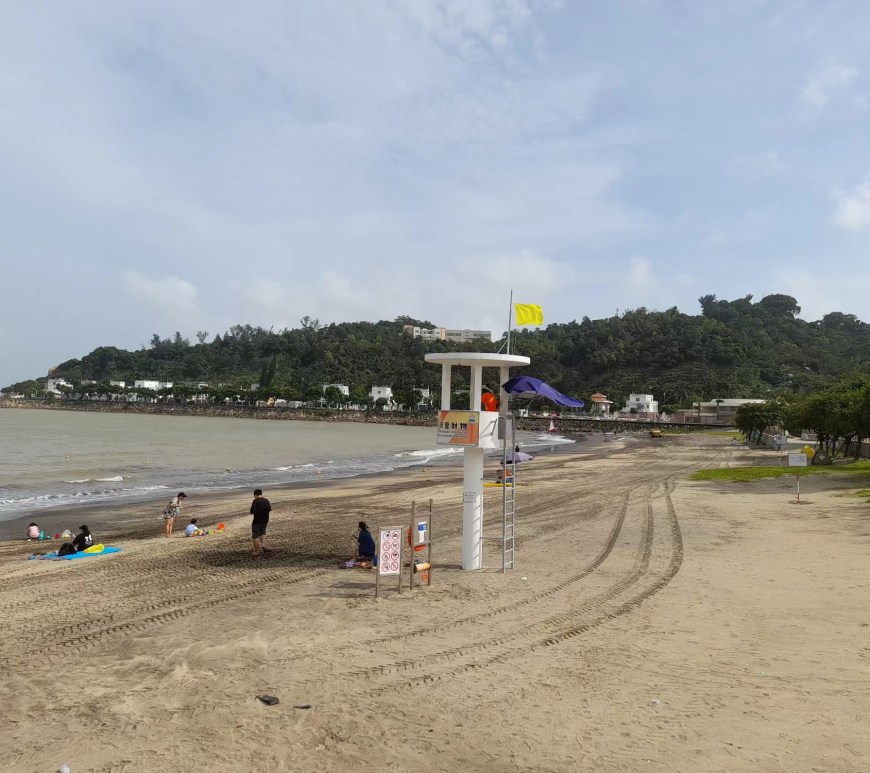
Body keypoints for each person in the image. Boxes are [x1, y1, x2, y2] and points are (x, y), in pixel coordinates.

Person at [250, 488, 272, 555]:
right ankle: (263, 545)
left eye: (254, 496)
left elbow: (252, 511)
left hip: (257, 521)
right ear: (261, 494)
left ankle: (256, 551)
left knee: (255, 536)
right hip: (265, 520)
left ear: (255, 495)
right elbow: (269, 509)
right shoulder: (266, 500)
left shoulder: (255, 501)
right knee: (263, 533)